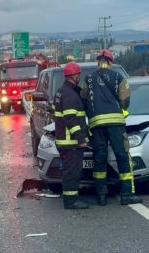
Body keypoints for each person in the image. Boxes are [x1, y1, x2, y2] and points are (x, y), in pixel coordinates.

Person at [81, 50, 143, 206]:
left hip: (96, 125)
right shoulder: (118, 77)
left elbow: (83, 100)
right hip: (116, 124)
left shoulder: (88, 79)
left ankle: (101, 196)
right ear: (110, 62)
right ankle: (127, 195)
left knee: (99, 159)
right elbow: (125, 100)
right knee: (122, 157)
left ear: (97, 61)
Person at [54, 62, 90, 209]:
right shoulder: (69, 95)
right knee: (72, 172)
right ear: (75, 76)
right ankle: (70, 201)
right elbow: (70, 119)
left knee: (71, 171)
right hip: (71, 142)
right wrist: (80, 138)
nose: (79, 77)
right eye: (78, 75)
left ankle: (72, 198)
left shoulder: (62, 92)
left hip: (65, 141)